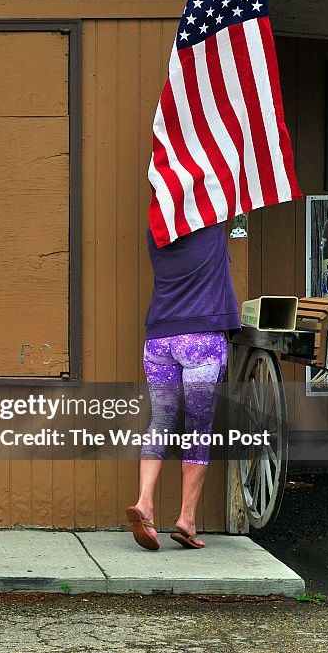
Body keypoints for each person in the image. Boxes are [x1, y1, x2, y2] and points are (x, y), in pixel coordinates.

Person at [126, 223, 240, 549]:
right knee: (197, 429)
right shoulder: (212, 226)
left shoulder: (155, 230)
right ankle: (186, 520)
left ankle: (145, 502)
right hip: (201, 340)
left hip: (159, 339)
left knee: (160, 421)